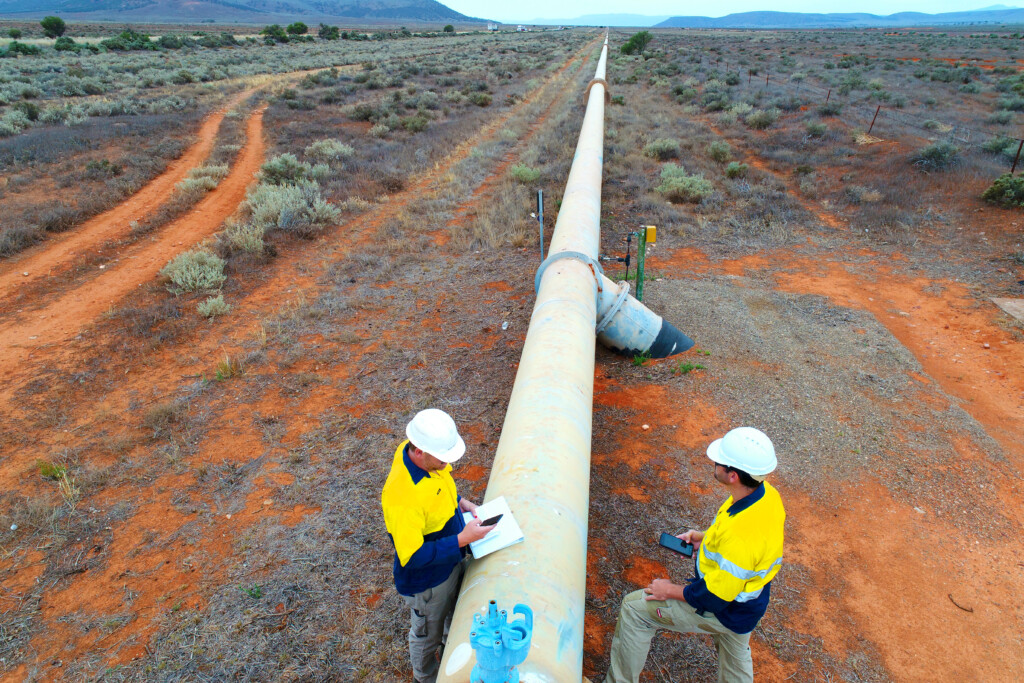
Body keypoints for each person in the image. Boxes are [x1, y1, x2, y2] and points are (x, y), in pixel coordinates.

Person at [605, 427, 785, 683]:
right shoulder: (766, 495)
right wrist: (704, 538)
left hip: (725, 607)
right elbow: (743, 544)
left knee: (634, 610)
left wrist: (669, 591)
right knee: (735, 646)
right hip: (749, 605)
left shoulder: (742, 536)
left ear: (732, 475)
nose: (714, 464)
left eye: (718, 462)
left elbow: (714, 597)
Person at [381, 408, 495, 683]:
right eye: (442, 459)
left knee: (449, 618)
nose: (447, 464)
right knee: (426, 635)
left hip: (449, 564)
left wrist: (461, 504)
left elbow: (438, 491)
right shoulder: (403, 497)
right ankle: (426, 676)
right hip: (428, 583)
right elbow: (413, 556)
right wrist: (461, 540)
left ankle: (449, 645)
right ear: (418, 451)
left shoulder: (421, 456)